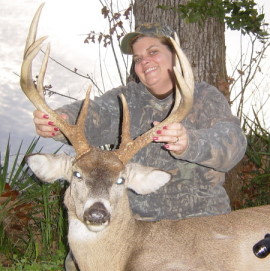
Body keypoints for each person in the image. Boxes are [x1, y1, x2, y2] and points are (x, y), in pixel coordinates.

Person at [33, 23, 247, 221]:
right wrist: (62, 120)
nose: (144, 61)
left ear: (174, 55)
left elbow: (233, 144)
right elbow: (95, 114)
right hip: (138, 224)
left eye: (153, 52)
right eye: (137, 58)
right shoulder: (128, 99)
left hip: (201, 220)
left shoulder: (203, 97)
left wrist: (190, 143)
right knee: (81, 259)